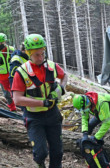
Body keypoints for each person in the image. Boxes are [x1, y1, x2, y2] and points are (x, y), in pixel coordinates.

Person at [12, 34, 68, 168]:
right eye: (37, 55)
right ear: (28, 53)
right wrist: (42, 103)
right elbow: (17, 99)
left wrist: (61, 88)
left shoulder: (51, 66)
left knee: (57, 152)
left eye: (42, 53)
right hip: (34, 117)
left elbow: (64, 76)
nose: (41, 57)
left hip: (53, 114)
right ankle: (40, 164)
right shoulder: (21, 72)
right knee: (40, 152)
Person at [72, 92, 110, 168]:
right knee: (89, 127)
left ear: (87, 103)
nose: (83, 110)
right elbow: (84, 119)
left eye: (83, 109)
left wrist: (96, 138)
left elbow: (106, 123)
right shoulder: (85, 104)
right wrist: (85, 134)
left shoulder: (101, 102)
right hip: (100, 112)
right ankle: (90, 152)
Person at [0, 32, 16, 111]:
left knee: (16, 91)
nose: (2, 44)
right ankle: (12, 109)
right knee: (6, 94)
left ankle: (23, 107)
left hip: (12, 74)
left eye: (3, 42)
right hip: (2, 76)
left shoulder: (11, 50)